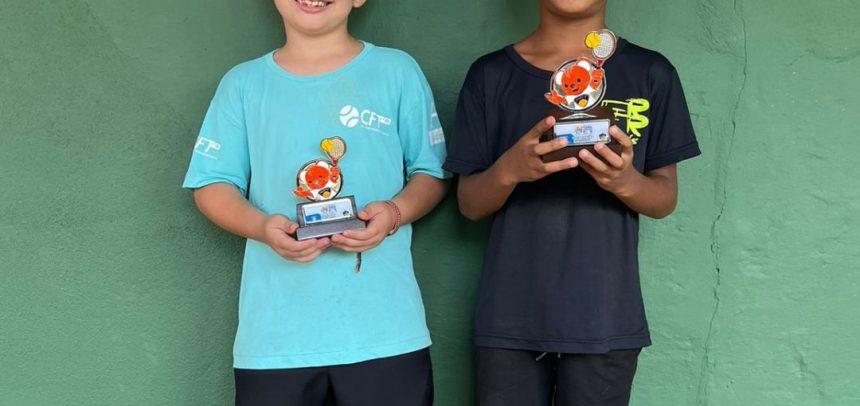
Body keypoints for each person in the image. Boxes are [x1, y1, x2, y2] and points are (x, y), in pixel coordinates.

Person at [182, 0, 448, 404]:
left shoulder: (397, 71)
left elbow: (433, 173)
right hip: (275, 340)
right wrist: (262, 228)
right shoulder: (243, 84)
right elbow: (211, 184)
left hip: (385, 331)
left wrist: (395, 213)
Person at [444, 1, 701, 404]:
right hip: (509, 318)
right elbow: (469, 204)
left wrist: (624, 181)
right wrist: (511, 169)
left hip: (605, 318)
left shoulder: (651, 72)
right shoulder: (490, 75)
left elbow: (664, 198)